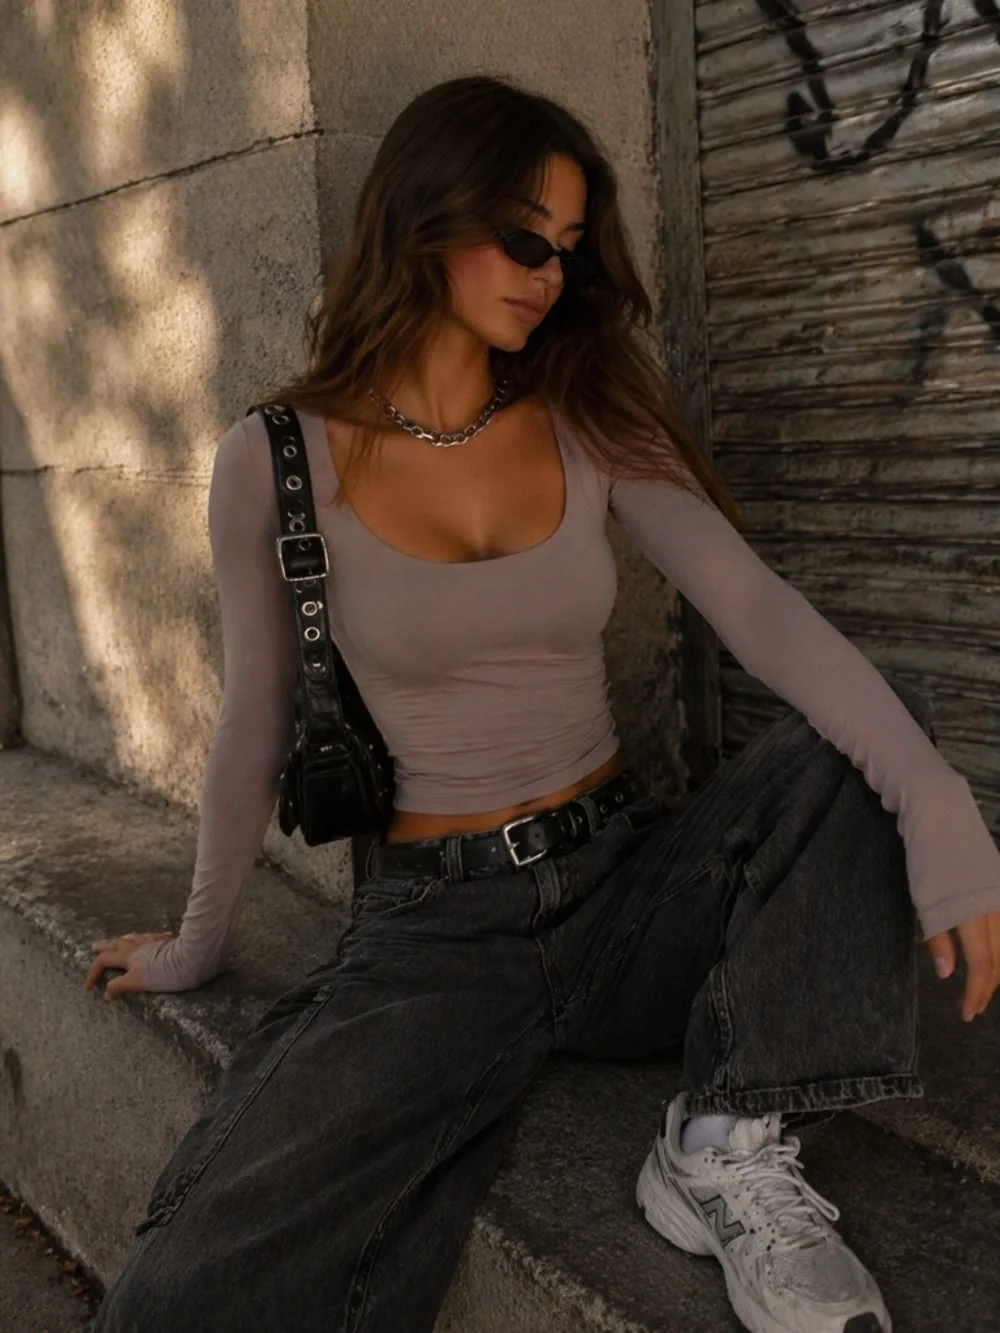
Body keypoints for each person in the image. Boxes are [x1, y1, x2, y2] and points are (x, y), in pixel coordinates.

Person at [87, 74, 1000, 1333]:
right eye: (525, 240)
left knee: (867, 731)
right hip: (437, 933)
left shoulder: (585, 411)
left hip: (628, 887)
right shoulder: (274, 459)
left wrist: (933, 799)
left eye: (568, 251)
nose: (550, 276)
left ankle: (720, 1144)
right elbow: (253, 721)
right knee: (204, 1271)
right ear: (424, 217)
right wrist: (194, 944)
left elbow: (756, 608)